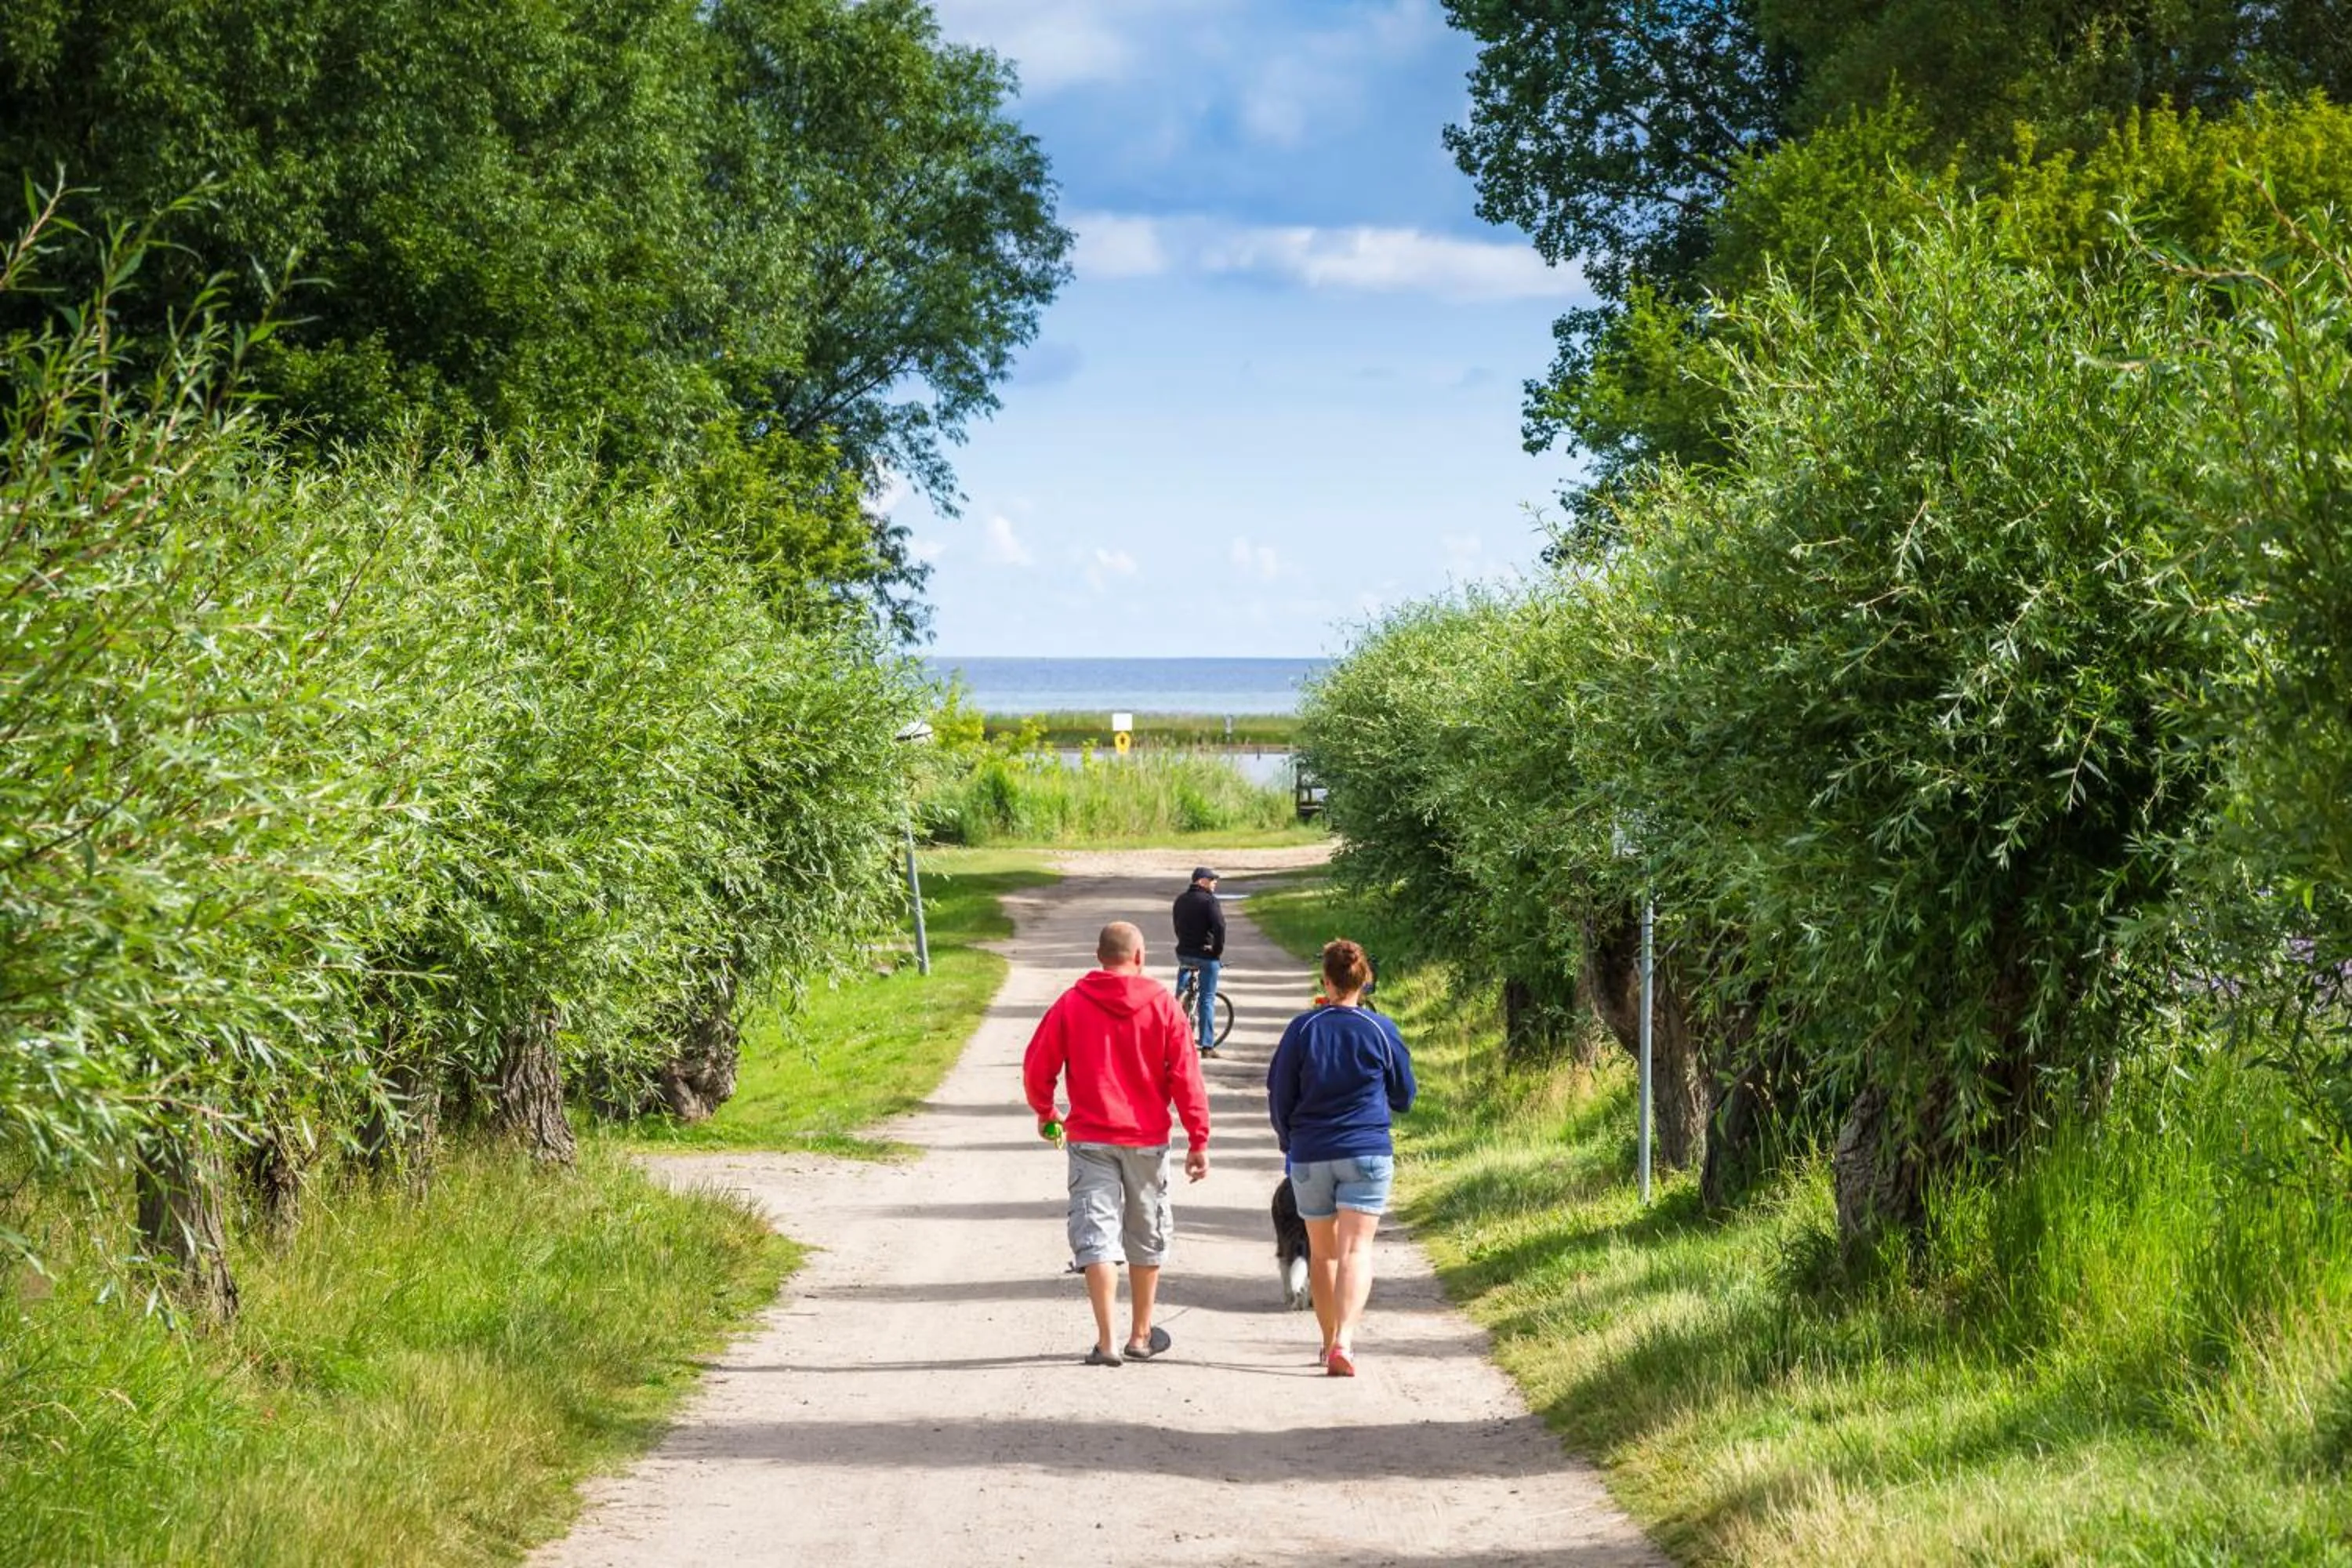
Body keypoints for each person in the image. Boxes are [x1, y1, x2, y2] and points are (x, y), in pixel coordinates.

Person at [1023, 920, 1211, 1366]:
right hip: (1147, 1139)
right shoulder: (1164, 1005)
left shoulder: (1071, 1003)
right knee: (1146, 1233)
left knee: (1097, 1235)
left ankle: (1106, 1341)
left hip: (1090, 1138)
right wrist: (1197, 1138)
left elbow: (1037, 1066)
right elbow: (1186, 1076)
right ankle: (1141, 1336)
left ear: (1099, 956)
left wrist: (1047, 1112)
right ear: (1140, 957)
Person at [1265, 938, 1415, 1377]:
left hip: (1311, 1153)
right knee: (1356, 1250)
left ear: (1325, 982)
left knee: (1323, 1254)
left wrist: (1288, 1140)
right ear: (1364, 980)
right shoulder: (1381, 1029)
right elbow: (1404, 1095)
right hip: (1366, 1150)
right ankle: (1345, 1343)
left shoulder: (1302, 1029)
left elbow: (1280, 1093)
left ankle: (1328, 1341)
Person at [1171, 866, 1226, 1057]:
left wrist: (1185, 943)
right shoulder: (1210, 901)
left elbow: (1177, 926)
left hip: (1184, 953)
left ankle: (1179, 1003)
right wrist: (1217, 951)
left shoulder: (1181, 900)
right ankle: (1207, 1045)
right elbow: (1220, 927)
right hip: (1205, 955)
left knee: (1181, 991)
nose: (1214, 883)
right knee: (1207, 998)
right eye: (1212, 880)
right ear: (1202, 881)